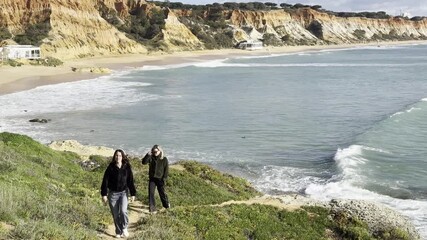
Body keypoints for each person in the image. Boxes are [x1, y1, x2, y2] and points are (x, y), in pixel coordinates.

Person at [101, 149, 136, 238]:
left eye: (120, 155)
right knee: (116, 214)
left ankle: (124, 227)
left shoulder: (126, 166)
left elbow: (130, 181)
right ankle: (118, 231)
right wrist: (104, 194)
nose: (118, 157)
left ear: (122, 156)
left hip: (123, 193)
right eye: (116, 155)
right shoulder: (111, 167)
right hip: (113, 194)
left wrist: (133, 193)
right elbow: (105, 181)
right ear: (114, 156)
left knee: (123, 211)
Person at [141, 144, 170, 213]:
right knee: (151, 193)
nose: (155, 153)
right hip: (152, 179)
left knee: (162, 193)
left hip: (160, 179)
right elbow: (143, 162)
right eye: (153, 152)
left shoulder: (164, 159)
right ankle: (152, 209)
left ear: (160, 151)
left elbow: (166, 170)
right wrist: (148, 154)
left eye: (156, 151)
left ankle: (166, 206)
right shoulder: (151, 157)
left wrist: (164, 179)